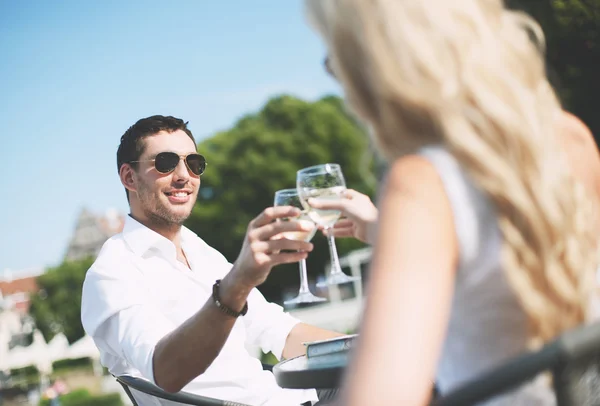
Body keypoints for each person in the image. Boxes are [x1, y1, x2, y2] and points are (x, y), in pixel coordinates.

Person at [302, 0, 600, 405]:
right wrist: (383, 228)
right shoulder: (572, 138)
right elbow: (502, 255)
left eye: (334, 56)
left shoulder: (421, 182)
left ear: (373, 58)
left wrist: (404, 218)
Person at [80, 115, 343, 406]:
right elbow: (165, 370)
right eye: (166, 162)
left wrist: (368, 346)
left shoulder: (199, 249)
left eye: (194, 164)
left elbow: (280, 333)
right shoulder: (113, 272)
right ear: (130, 177)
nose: (184, 175)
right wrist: (237, 283)